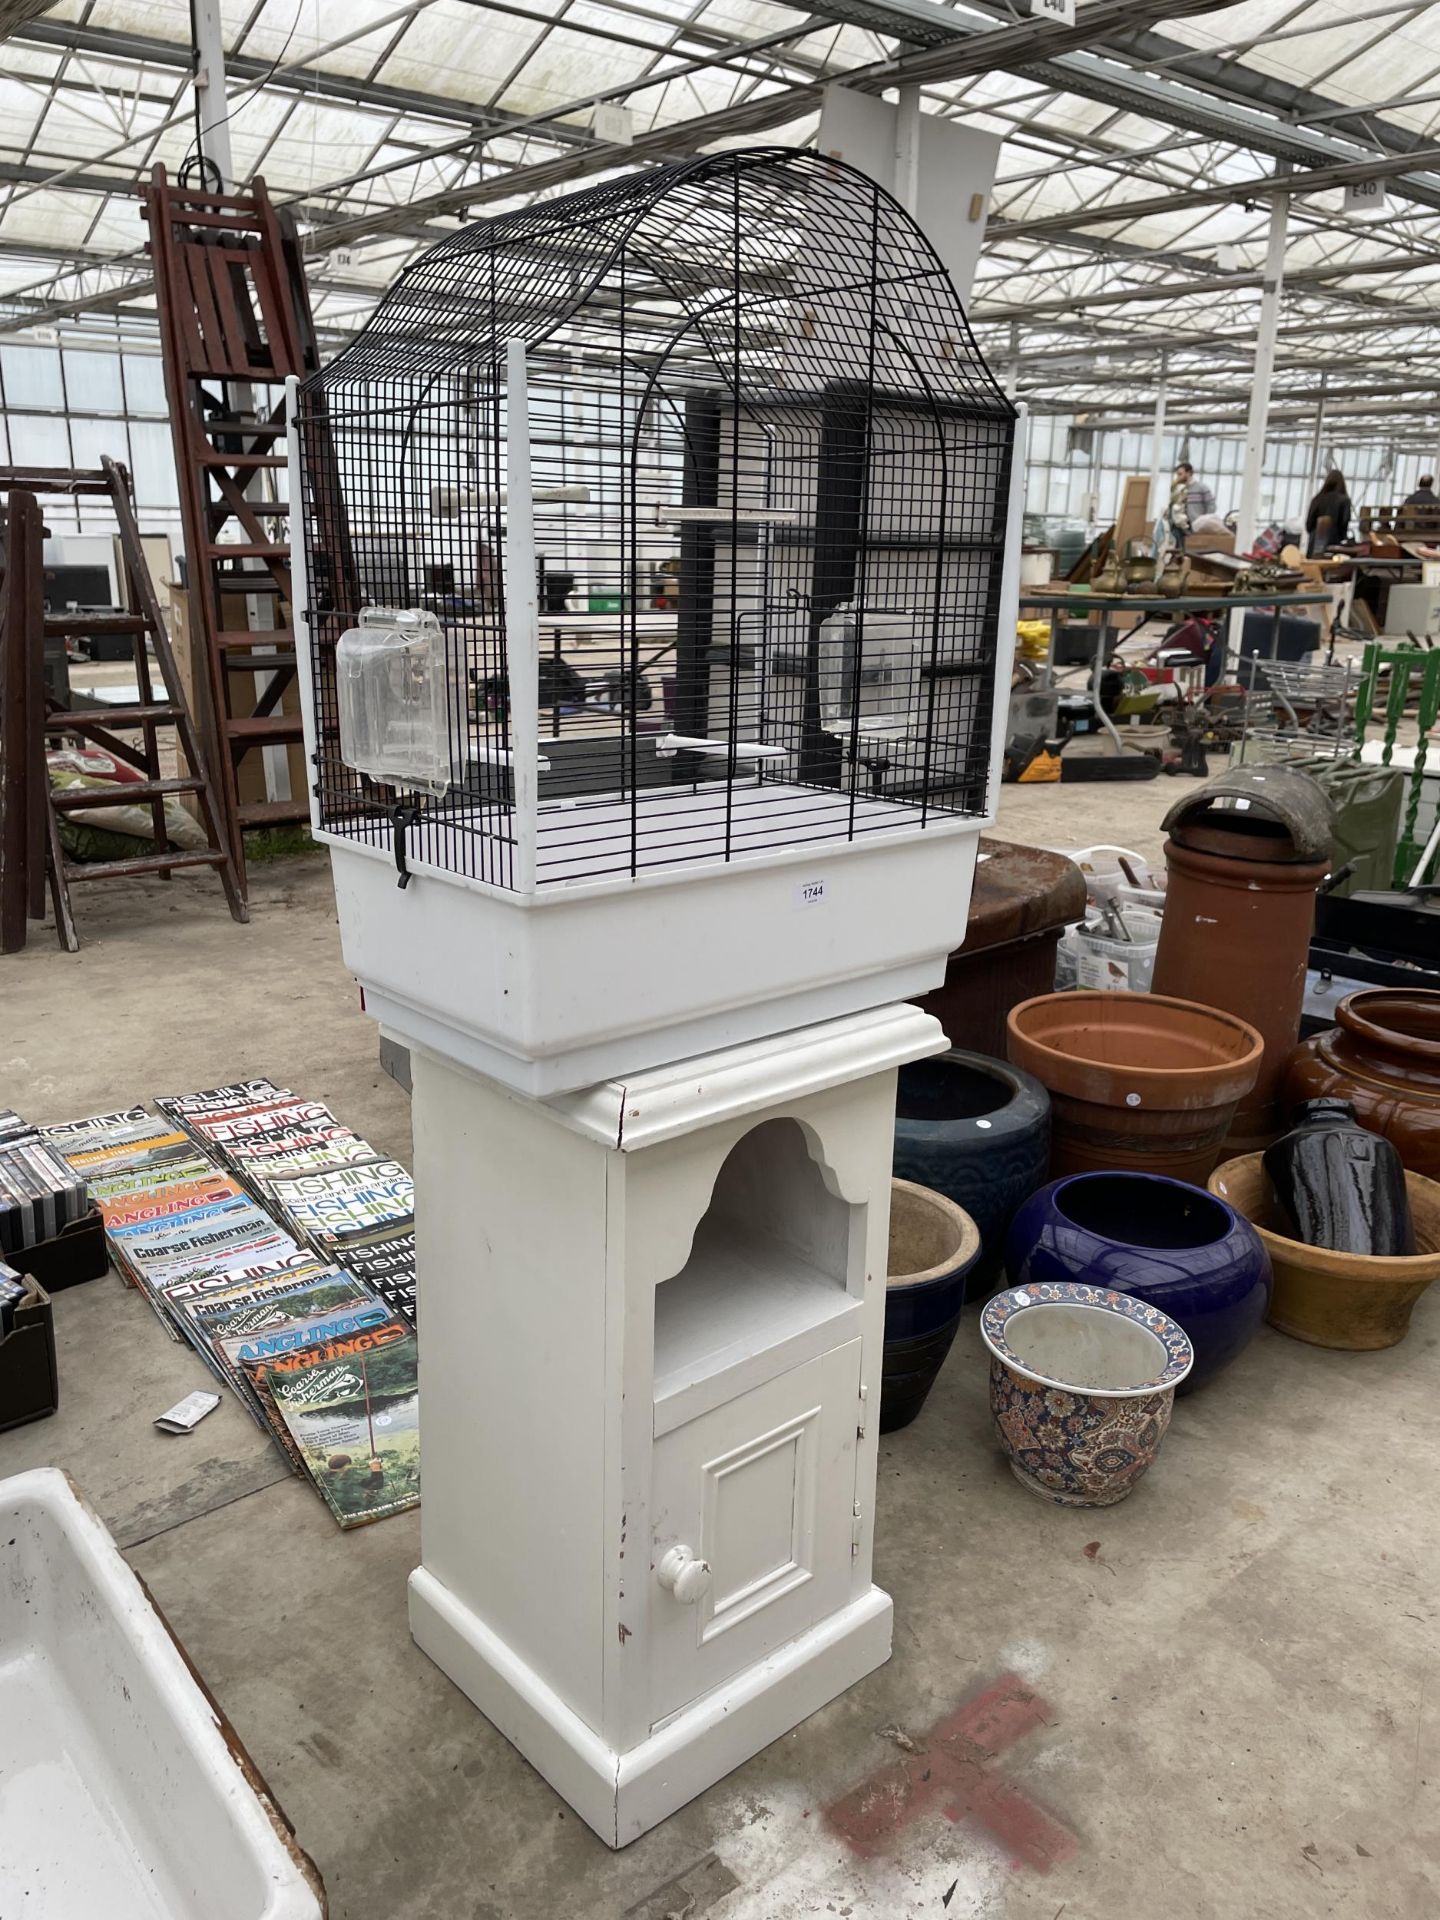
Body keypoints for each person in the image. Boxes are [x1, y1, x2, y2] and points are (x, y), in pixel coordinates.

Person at [1305, 468, 1351, 555]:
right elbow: (1344, 523)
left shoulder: (1317, 499)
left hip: (1314, 545)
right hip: (1334, 545)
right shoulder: (1344, 500)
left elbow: (1308, 525)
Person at [1167, 461, 1216, 538]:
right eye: (1177, 474)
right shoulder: (1179, 489)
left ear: (1189, 473)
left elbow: (1211, 505)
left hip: (1196, 526)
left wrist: (1204, 521)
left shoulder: (1202, 488)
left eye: (1180, 474)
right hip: (1179, 526)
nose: (1178, 477)